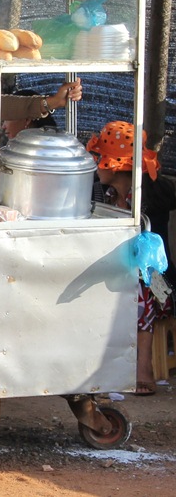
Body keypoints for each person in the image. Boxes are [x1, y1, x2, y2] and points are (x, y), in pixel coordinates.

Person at [86, 120, 174, 396]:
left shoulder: (148, 200)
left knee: (139, 292)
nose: (97, 164)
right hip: (120, 273)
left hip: (156, 283)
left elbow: (151, 264)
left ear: (119, 166)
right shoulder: (105, 194)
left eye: (102, 159)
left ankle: (143, 369)